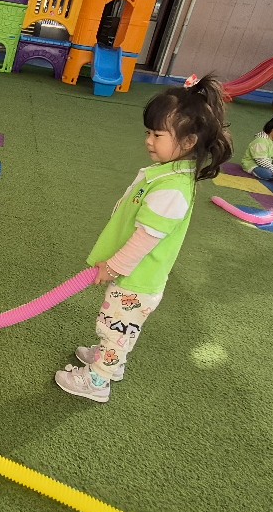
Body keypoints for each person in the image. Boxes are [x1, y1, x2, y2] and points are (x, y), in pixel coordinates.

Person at [55, 75, 231, 403]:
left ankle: (99, 379)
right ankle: (111, 359)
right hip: (136, 277)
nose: (149, 141)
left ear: (189, 141)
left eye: (157, 135)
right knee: (118, 327)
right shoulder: (168, 174)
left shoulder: (173, 188)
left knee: (116, 329)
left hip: (136, 278)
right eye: (148, 133)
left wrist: (113, 266)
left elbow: (146, 238)